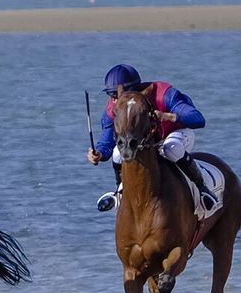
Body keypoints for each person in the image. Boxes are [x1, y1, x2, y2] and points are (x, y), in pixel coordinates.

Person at [87, 63, 216, 213]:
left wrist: (168, 116)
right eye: (112, 96)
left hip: (176, 134)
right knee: (117, 152)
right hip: (148, 142)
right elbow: (107, 141)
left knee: (170, 149)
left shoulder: (164, 94)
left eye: (116, 95)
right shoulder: (115, 108)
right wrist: (99, 153)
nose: (115, 100)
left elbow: (198, 119)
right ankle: (119, 192)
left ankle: (202, 189)